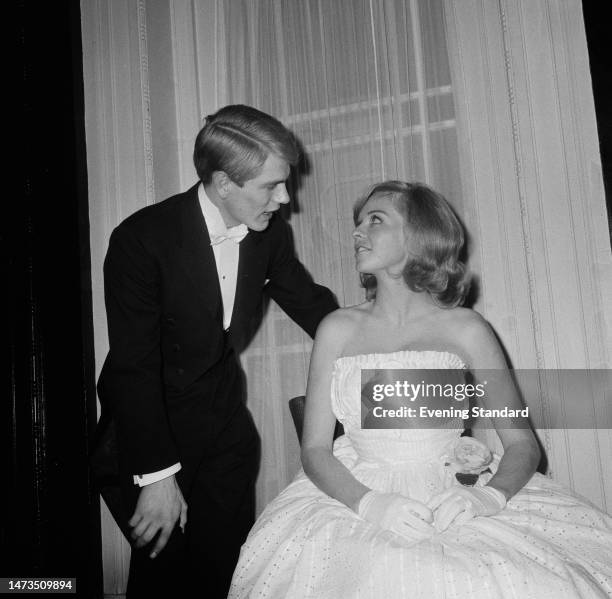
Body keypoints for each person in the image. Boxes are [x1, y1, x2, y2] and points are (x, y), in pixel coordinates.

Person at [229, 181, 612, 598]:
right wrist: (370, 503)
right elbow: (314, 450)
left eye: (375, 220)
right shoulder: (337, 328)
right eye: (358, 223)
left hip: (455, 491)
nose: (358, 232)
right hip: (356, 493)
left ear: (420, 235)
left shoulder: (465, 328)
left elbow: (522, 442)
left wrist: (489, 499)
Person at [95, 104, 338, 598]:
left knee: (227, 573)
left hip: (225, 428)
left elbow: (312, 305)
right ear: (224, 183)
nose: (285, 198)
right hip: (150, 432)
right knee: (164, 578)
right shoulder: (141, 240)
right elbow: (134, 367)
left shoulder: (270, 236)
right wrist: (158, 477)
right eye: (271, 185)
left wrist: (385, 337)